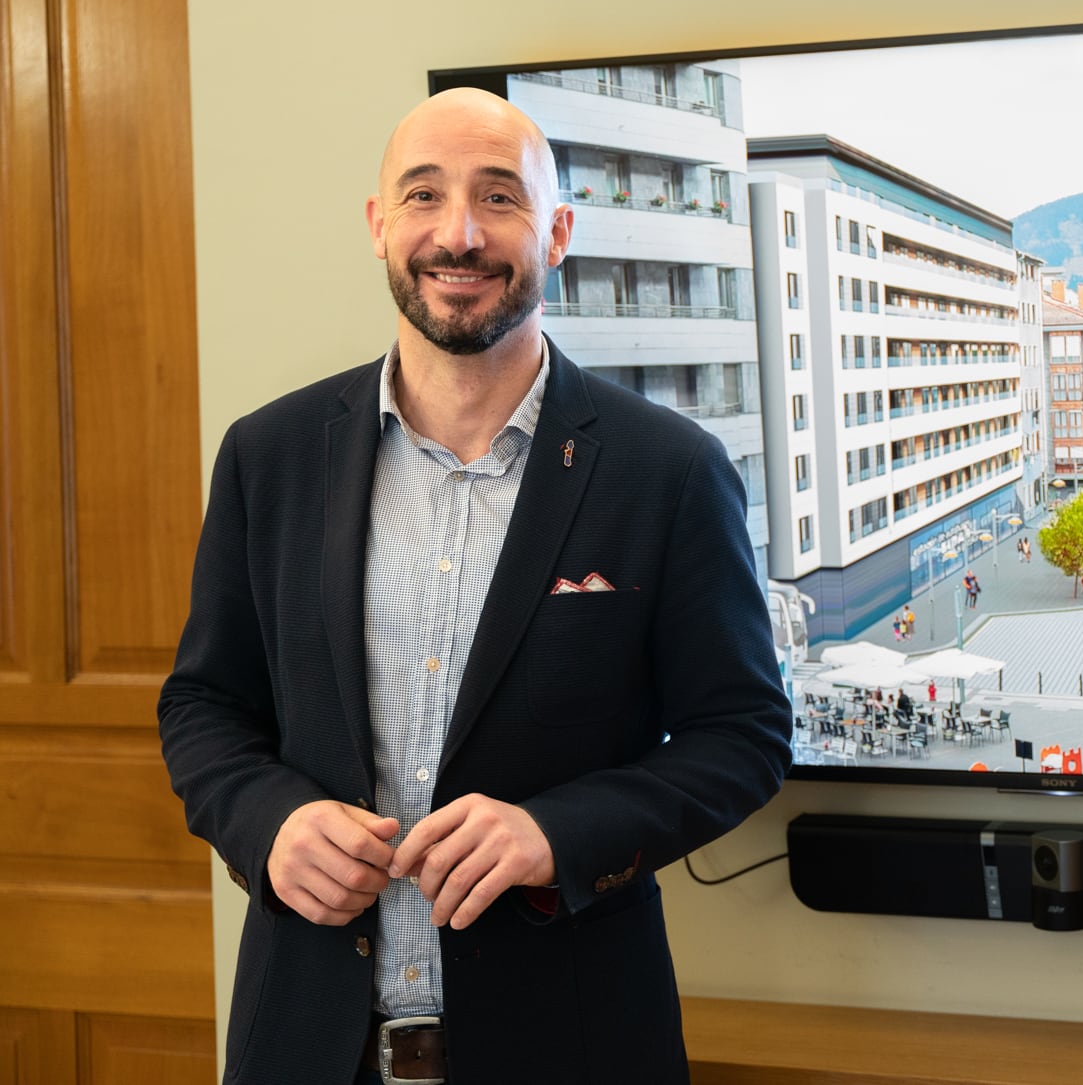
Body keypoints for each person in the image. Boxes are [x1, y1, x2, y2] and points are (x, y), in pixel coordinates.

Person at [156, 89, 792, 1085]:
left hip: (572, 1045)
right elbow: (203, 705)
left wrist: (556, 832)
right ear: (378, 225)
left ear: (558, 231)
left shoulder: (668, 470)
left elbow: (743, 733)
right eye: (424, 196)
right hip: (308, 1047)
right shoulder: (267, 455)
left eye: (499, 197)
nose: (459, 234)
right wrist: (269, 822)